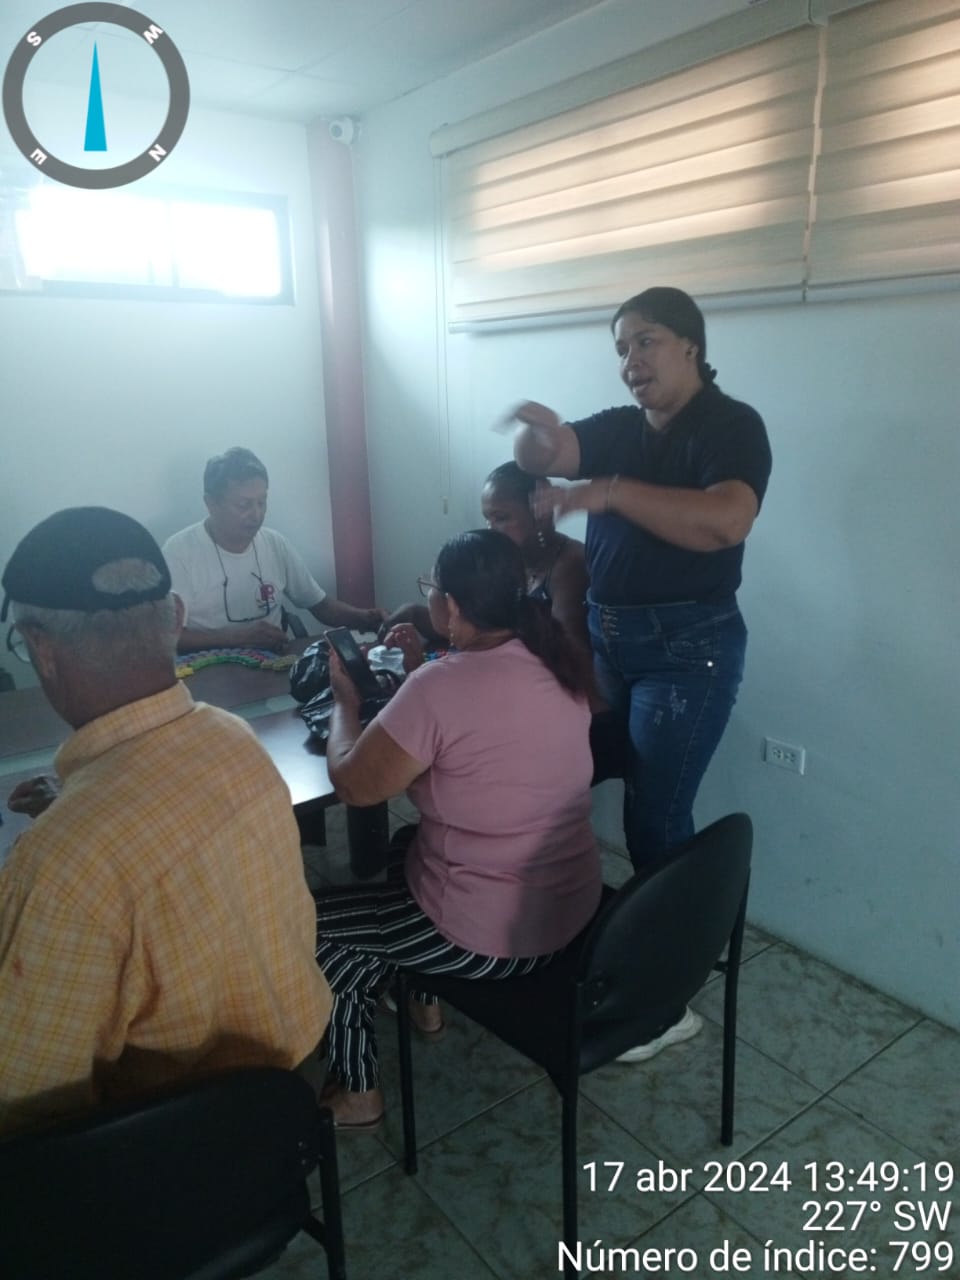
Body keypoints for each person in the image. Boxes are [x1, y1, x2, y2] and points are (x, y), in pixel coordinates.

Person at [0, 507, 332, 1135]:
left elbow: (21, 1107)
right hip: (296, 1082)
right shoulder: (233, 738)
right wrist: (75, 805)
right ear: (176, 618)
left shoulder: (58, 868)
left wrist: (73, 824)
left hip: (182, 1151)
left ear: (41, 648)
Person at [508, 287, 771, 1060]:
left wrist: (611, 492)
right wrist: (536, 440)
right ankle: (613, 939)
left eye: (645, 342)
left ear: (690, 344)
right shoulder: (621, 427)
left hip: (687, 651)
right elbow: (549, 457)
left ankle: (663, 1002)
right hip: (609, 641)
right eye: (621, 348)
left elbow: (725, 520)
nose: (630, 361)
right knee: (575, 774)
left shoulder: (730, 425)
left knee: (655, 819)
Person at [314, 529, 601, 1131]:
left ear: (448, 605)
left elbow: (353, 784)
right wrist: (417, 673)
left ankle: (359, 1091)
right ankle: (423, 1000)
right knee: (405, 845)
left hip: (488, 937)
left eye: (431, 588)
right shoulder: (555, 662)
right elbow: (475, 730)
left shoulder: (440, 686)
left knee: (320, 932)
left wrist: (345, 702)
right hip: (569, 909)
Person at [162, 446, 384, 652]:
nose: (256, 514)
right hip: (207, 668)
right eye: (244, 505)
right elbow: (168, 636)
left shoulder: (274, 544)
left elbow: (320, 605)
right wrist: (236, 638)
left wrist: (368, 618)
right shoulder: (179, 552)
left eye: (262, 502)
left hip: (272, 662)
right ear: (211, 504)